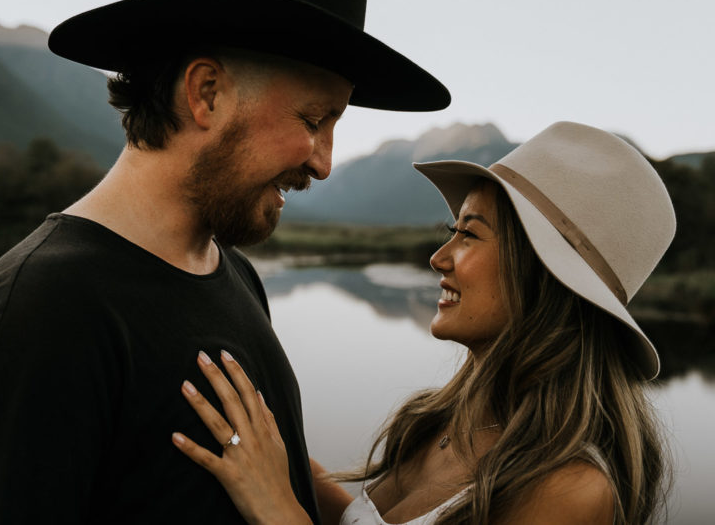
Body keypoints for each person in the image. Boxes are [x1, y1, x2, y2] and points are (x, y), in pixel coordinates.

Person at [0, 0, 449, 524]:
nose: (324, 160)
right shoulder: (40, 312)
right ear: (206, 92)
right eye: (314, 118)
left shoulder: (234, 274)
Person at [173, 121, 675, 525]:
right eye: (450, 232)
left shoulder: (570, 490)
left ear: (540, 276)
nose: (439, 258)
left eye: (470, 236)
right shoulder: (440, 419)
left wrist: (277, 511)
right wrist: (270, 453)